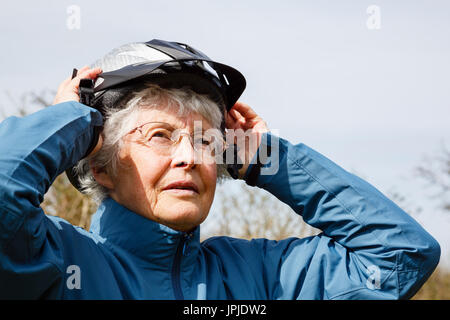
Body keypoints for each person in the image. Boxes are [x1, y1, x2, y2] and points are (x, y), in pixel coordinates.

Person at [0, 39, 440, 299]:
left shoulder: (262, 279)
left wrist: (269, 159)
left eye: (207, 140)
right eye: (160, 135)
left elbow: (400, 254)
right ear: (100, 165)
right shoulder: (59, 265)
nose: (190, 156)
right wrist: (69, 121)